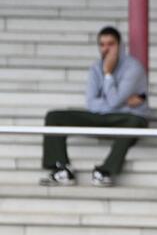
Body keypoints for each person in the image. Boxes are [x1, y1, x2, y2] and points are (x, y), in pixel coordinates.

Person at [40, 26, 149, 187]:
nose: (106, 49)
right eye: (102, 44)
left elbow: (112, 102)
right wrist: (123, 103)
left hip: (127, 119)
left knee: (133, 122)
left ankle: (106, 171)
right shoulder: (95, 67)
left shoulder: (133, 68)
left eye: (110, 44)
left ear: (120, 46)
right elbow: (91, 103)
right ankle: (62, 169)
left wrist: (108, 74)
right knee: (54, 116)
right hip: (104, 115)